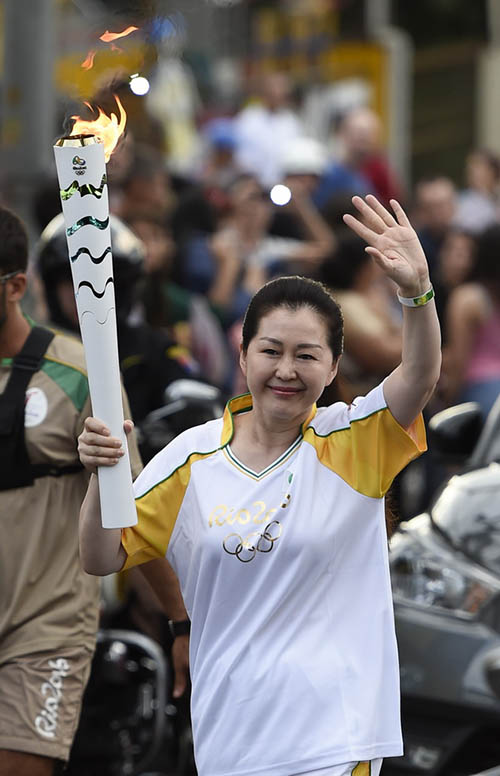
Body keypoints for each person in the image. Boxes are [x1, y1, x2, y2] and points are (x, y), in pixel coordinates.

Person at [77, 194, 441, 776]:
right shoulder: (192, 460)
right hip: (233, 737)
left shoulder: (354, 441)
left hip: (335, 736)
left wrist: (416, 294)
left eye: (307, 355)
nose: (287, 371)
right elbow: (100, 556)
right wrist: (102, 477)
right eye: (270, 351)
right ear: (242, 355)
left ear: (332, 365)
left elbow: (420, 374)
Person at [0, 206, 143, 775]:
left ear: (15, 286)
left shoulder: (83, 372)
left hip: (46, 621)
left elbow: (133, 506)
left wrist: (181, 621)